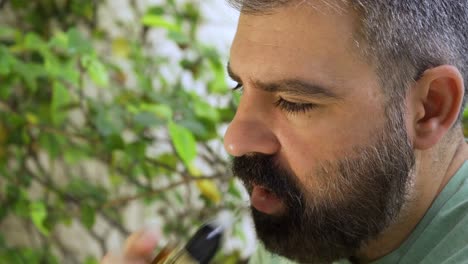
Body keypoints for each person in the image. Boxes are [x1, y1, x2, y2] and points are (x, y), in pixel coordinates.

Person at [101, 0, 468, 263]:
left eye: (293, 101)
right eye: (240, 88)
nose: (235, 140)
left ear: (429, 109)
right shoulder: (327, 218)